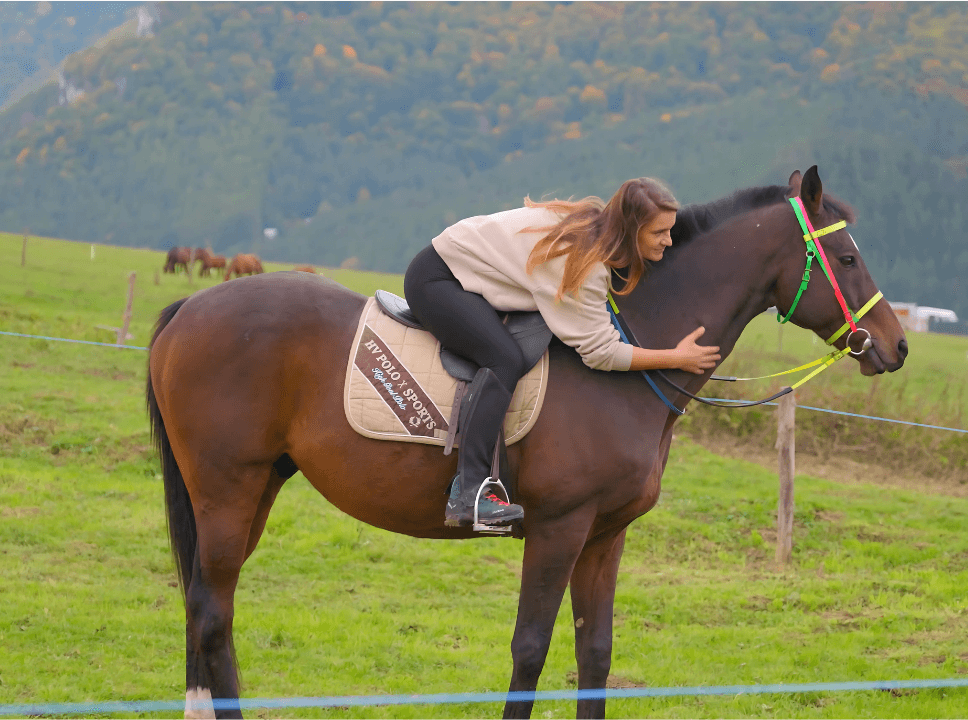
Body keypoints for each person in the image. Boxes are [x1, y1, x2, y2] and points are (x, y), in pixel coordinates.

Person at [403, 178, 721, 530]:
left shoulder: (599, 228)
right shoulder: (583, 263)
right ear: (631, 231)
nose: (669, 240)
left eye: (670, 231)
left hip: (465, 269)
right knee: (503, 359)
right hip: (439, 281)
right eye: (659, 233)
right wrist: (675, 358)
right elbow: (601, 353)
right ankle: (469, 493)